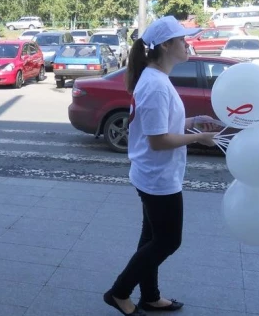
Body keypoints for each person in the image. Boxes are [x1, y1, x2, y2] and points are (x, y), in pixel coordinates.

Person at [103, 16, 222, 316]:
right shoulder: (155, 84)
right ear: (167, 46)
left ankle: (150, 296)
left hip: (152, 173)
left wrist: (193, 123)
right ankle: (119, 292)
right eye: (182, 40)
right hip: (158, 177)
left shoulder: (156, 79)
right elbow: (157, 140)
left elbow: (159, 126)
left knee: (152, 238)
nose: (187, 43)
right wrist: (200, 139)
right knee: (168, 241)